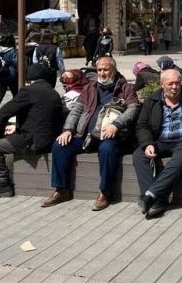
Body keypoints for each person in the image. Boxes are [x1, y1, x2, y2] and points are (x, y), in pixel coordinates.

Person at [41, 56, 139, 211]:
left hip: (110, 135)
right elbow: (76, 110)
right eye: (99, 70)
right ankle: (61, 190)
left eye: (106, 69)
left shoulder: (126, 88)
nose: (102, 73)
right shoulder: (90, 87)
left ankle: (105, 193)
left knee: (108, 149)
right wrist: (68, 130)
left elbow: (133, 109)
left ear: (114, 70)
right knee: (60, 145)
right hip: (86, 136)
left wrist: (116, 125)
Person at [134, 68, 182, 218]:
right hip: (161, 140)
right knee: (139, 155)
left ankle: (150, 196)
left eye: (177, 83)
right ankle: (158, 200)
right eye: (170, 84)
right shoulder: (152, 100)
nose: (174, 87)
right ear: (161, 83)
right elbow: (142, 125)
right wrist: (148, 143)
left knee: (178, 160)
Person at [0, 63, 63, 198]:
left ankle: (2, 185)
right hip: (50, 139)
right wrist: (18, 128)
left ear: (30, 78)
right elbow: (39, 118)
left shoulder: (29, 91)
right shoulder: (53, 93)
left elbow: (2, 114)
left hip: (33, 141)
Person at [0, 34, 19, 118]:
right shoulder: (12, 51)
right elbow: (16, 63)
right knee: (16, 94)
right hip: (10, 75)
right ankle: (15, 112)